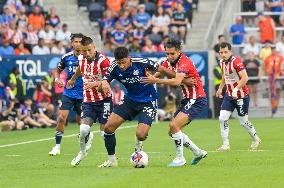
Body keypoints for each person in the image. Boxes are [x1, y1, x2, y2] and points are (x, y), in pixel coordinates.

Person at [98, 46, 176, 167]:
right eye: (119, 63)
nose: (121, 66)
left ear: (129, 58)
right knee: (108, 128)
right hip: (130, 100)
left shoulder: (142, 62)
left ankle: (138, 144)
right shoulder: (114, 66)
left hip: (148, 101)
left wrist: (178, 77)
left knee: (141, 135)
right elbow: (104, 80)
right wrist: (104, 83)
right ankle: (111, 160)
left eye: (123, 62)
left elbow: (163, 69)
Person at [141, 38, 208, 167]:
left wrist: (155, 81)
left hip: (196, 98)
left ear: (179, 52)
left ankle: (180, 159)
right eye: (167, 53)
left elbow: (176, 81)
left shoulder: (184, 62)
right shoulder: (169, 62)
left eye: (172, 54)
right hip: (188, 99)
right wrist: (150, 78)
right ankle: (198, 152)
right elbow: (159, 73)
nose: (169, 56)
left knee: (173, 126)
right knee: (173, 130)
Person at [67, 36, 113, 166]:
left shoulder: (103, 61)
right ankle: (82, 152)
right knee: (83, 130)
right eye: (84, 51)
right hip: (88, 101)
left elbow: (108, 81)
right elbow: (80, 69)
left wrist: (93, 85)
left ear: (94, 48)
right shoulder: (81, 58)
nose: (86, 54)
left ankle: (110, 159)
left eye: (89, 50)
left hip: (104, 100)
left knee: (105, 133)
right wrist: (73, 79)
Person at [216, 42, 261, 151]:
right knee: (222, 118)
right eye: (221, 52)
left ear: (230, 52)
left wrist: (236, 89)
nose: (223, 54)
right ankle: (225, 144)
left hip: (241, 96)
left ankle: (256, 139)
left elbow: (245, 78)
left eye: (225, 52)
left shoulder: (236, 62)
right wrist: (220, 88)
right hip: (229, 95)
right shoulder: (222, 62)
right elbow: (224, 74)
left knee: (243, 121)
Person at [48, 33, 85, 156]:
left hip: (83, 94)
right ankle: (57, 147)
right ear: (72, 43)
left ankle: (83, 147)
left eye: (80, 42)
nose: (78, 44)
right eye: (76, 42)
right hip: (69, 92)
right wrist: (57, 79)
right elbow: (57, 71)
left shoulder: (88, 57)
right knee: (61, 118)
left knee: (82, 123)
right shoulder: (66, 57)